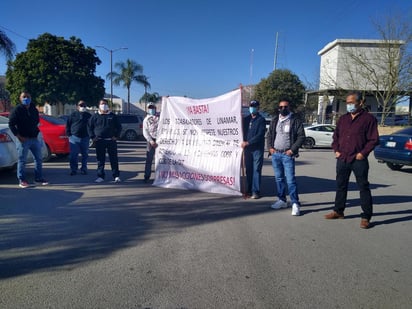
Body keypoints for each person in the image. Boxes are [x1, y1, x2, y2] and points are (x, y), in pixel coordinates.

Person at [324, 91, 379, 229]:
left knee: (363, 187)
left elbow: (373, 140)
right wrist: (336, 150)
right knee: (341, 185)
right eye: (347, 103)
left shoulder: (368, 119)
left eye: (352, 102)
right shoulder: (343, 119)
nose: (349, 105)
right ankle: (338, 211)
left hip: (358, 159)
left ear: (360, 103)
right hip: (342, 157)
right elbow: (335, 137)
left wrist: (363, 153)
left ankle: (366, 217)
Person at [266, 99, 305, 216]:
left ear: (289, 107)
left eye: (285, 107)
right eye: (281, 107)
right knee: (279, 179)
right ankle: (282, 200)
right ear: (278, 108)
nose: (283, 109)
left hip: (287, 155)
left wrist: (292, 150)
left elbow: (301, 136)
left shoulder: (295, 120)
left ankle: (295, 203)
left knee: (290, 180)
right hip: (276, 154)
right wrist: (270, 148)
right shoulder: (274, 120)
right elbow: (269, 135)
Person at [8, 91, 48, 188]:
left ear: (31, 98)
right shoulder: (17, 110)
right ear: (20, 99)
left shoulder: (33, 109)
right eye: (24, 97)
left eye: (28, 96)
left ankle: (38, 178)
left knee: (38, 159)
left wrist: (35, 132)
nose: (26, 98)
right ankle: (22, 180)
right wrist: (18, 136)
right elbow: (11, 124)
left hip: (34, 138)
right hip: (23, 139)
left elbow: (36, 121)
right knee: (22, 160)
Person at [88, 99, 122, 183]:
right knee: (100, 159)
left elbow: (119, 127)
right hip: (99, 141)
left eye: (105, 104)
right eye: (102, 104)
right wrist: (93, 137)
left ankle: (116, 176)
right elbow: (89, 127)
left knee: (113, 159)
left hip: (111, 141)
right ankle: (100, 176)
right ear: (99, 106)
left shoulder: (112, 116)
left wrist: (116, 136)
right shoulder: (95, 116)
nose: (104, 105)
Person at [241, 100, 266, 199]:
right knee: (249, 170)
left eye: (254, 106)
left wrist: (248, 142)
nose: (252, 108)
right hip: (247, 150)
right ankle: (249, 189)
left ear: (258, 108)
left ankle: (256, 191)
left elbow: (260, 135)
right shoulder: (246, 119)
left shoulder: (261, 120)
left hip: (257, 149)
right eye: (251, 106)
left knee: (256, 170)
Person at [66, 100, 92, 176]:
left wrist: (91, 135)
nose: (83, 107)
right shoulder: (73, 115)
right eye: (81, 105)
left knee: (85, 155)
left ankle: (84, 169)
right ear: (77, 106)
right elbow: (68, 125)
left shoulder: (88, 116)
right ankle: (73, 169)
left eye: (84, 105)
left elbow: (92, 126)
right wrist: (69, 135)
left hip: (85, 138)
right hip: (74, 138)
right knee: (73, 155)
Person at [142, 102, 159, 183]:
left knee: (160, 159)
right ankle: (147, 176)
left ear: (155, 108)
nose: (151, 109)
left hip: (160, 140)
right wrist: (151, 141)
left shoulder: (160, 116)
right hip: (151, 141)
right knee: (149, 159)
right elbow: (145, 132)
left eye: (153, 107)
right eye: (150, 108)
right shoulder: (146, 119)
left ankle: (160, 176)